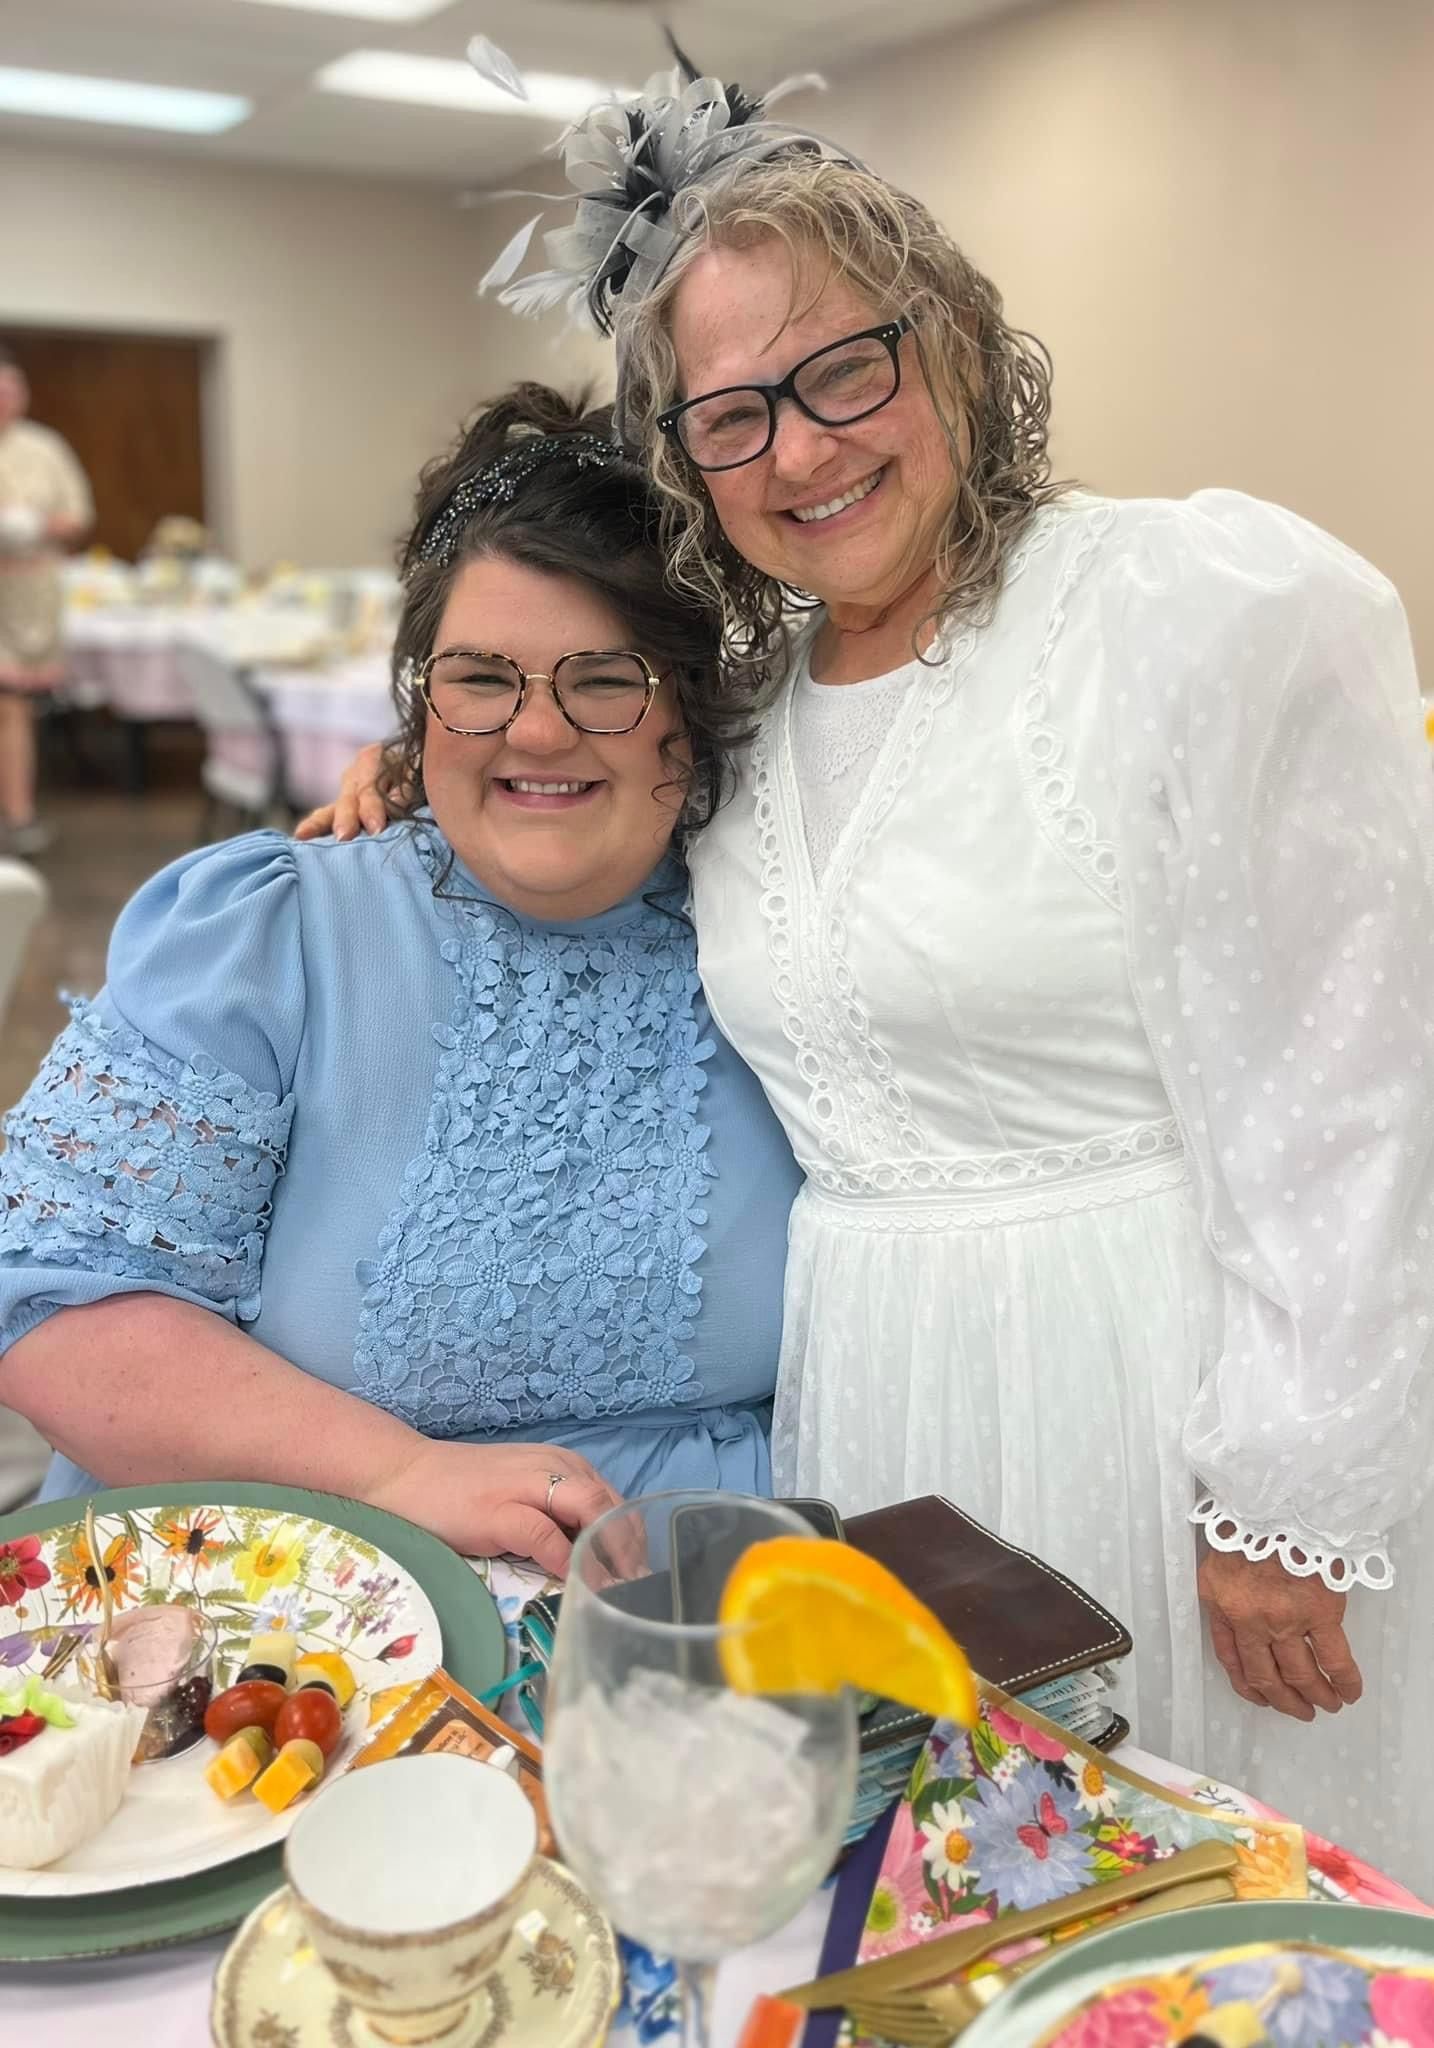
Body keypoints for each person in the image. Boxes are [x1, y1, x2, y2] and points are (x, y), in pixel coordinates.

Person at [307, 55, 1434, 1885]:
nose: (804, 450)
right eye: (730, 416)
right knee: (942, 1905)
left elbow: (1356, 1078)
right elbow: (561, 780)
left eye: (843, 369)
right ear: (686, 468)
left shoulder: (1182, 613)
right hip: (878, 1394)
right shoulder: (740, 716)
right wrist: (397, 775)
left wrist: (1286, 1501)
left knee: (1206, 1899)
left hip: (1152, 1391)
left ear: (956, 346)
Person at [0, 385, 799, 1577]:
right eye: (482, 677)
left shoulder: (793, 941)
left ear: (694, 704)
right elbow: (53, 1305)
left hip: (712, 1619)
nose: (536, 730)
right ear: (421, 701)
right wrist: (396, 1471)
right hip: (309, 1601)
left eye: (606, 677)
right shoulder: (277, 931)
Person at [0, 348, 93, 857]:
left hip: (28, 594)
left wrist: (32, 525)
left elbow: (76, 518)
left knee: (11, 704)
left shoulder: (44, 448)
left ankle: (18, 814)